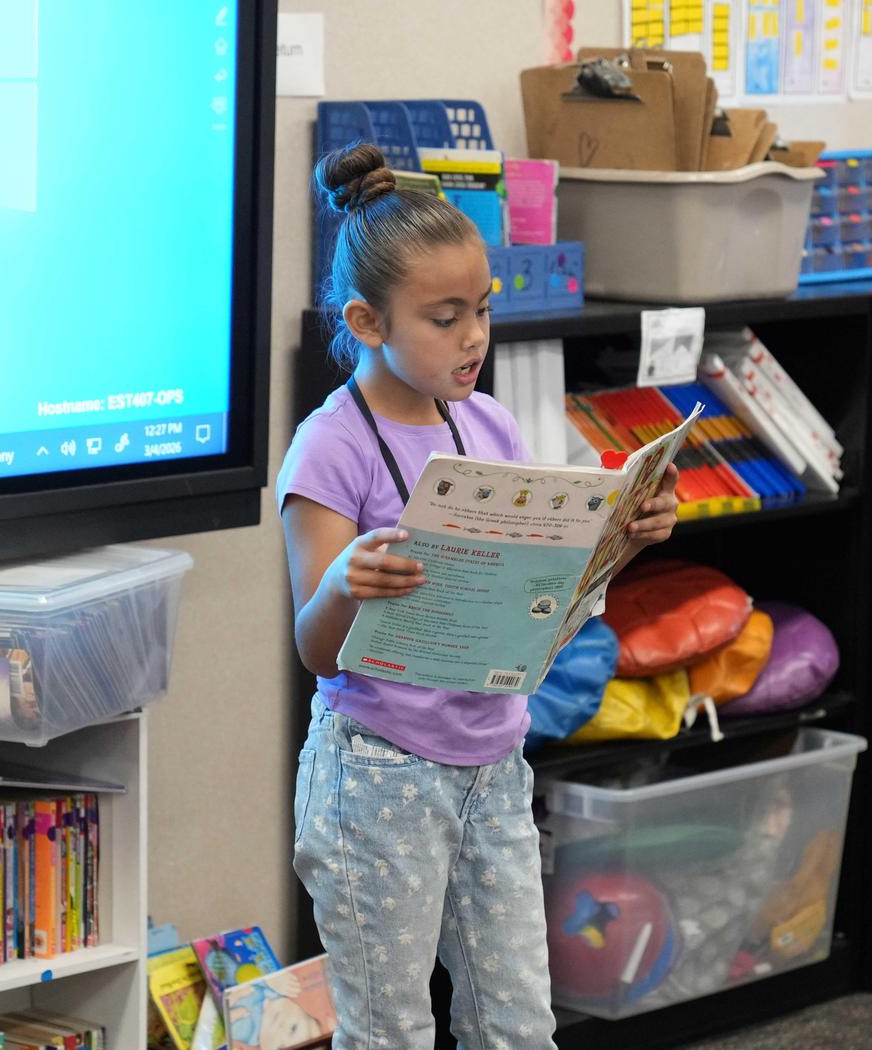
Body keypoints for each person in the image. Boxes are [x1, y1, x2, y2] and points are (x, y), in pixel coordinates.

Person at [277, 143, 681, 1050]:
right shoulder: (329, 448)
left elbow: (534, 583)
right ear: (368, 322)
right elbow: (314, 645)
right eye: (445, 317)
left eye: (484, 312)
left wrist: (621, 538)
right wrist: (346, 584)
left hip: (494, 765)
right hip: (379, 774)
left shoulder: (487, 420)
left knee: (517, 1025)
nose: (473, 338)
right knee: (391, 1029)